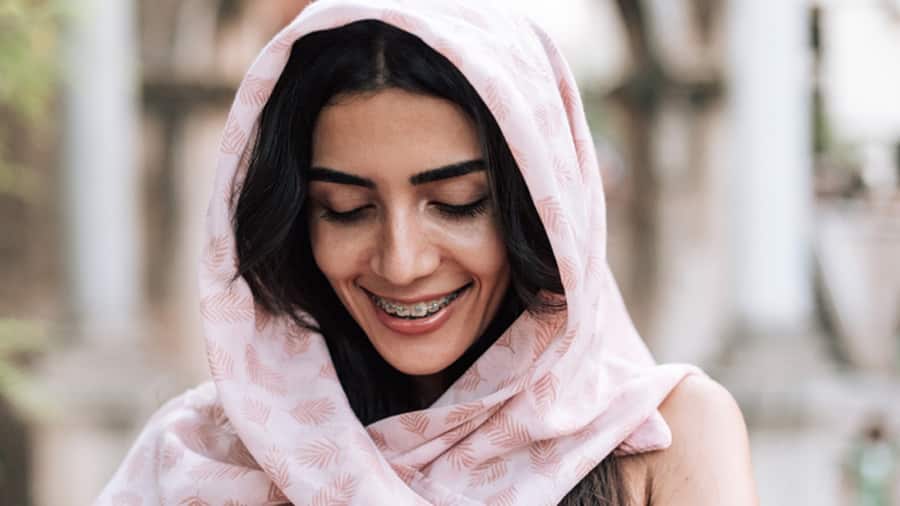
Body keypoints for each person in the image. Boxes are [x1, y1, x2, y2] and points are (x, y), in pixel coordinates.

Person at [95, 1, 758, 504]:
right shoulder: (205, 455)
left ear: (542, 209)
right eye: (347, 211)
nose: (402, 262)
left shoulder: (665, 437)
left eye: (460, 202)